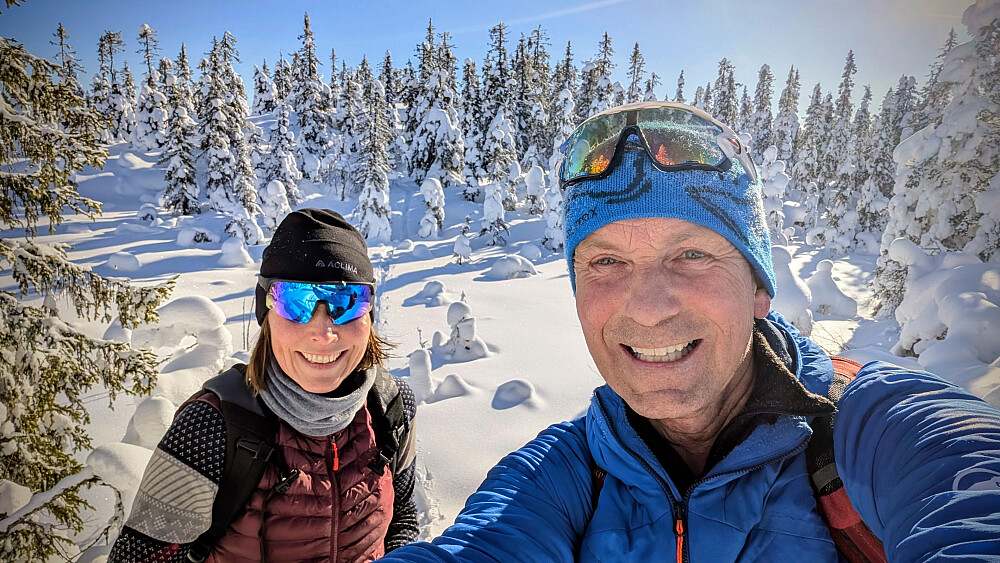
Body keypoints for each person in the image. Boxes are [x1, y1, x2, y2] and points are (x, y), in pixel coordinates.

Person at [377, 102, 1000, 562]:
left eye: (692, 255)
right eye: (607, 261)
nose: (649, 310)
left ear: (758, 287)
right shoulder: (564, 472)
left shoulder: (880, 431)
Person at [110, 209, 419, 562]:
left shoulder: (391, 407)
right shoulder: (210, 427)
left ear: (369, 315)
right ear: (266, 313)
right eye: (295, 301)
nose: (323, 333)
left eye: (346, 301)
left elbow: (403, 518)